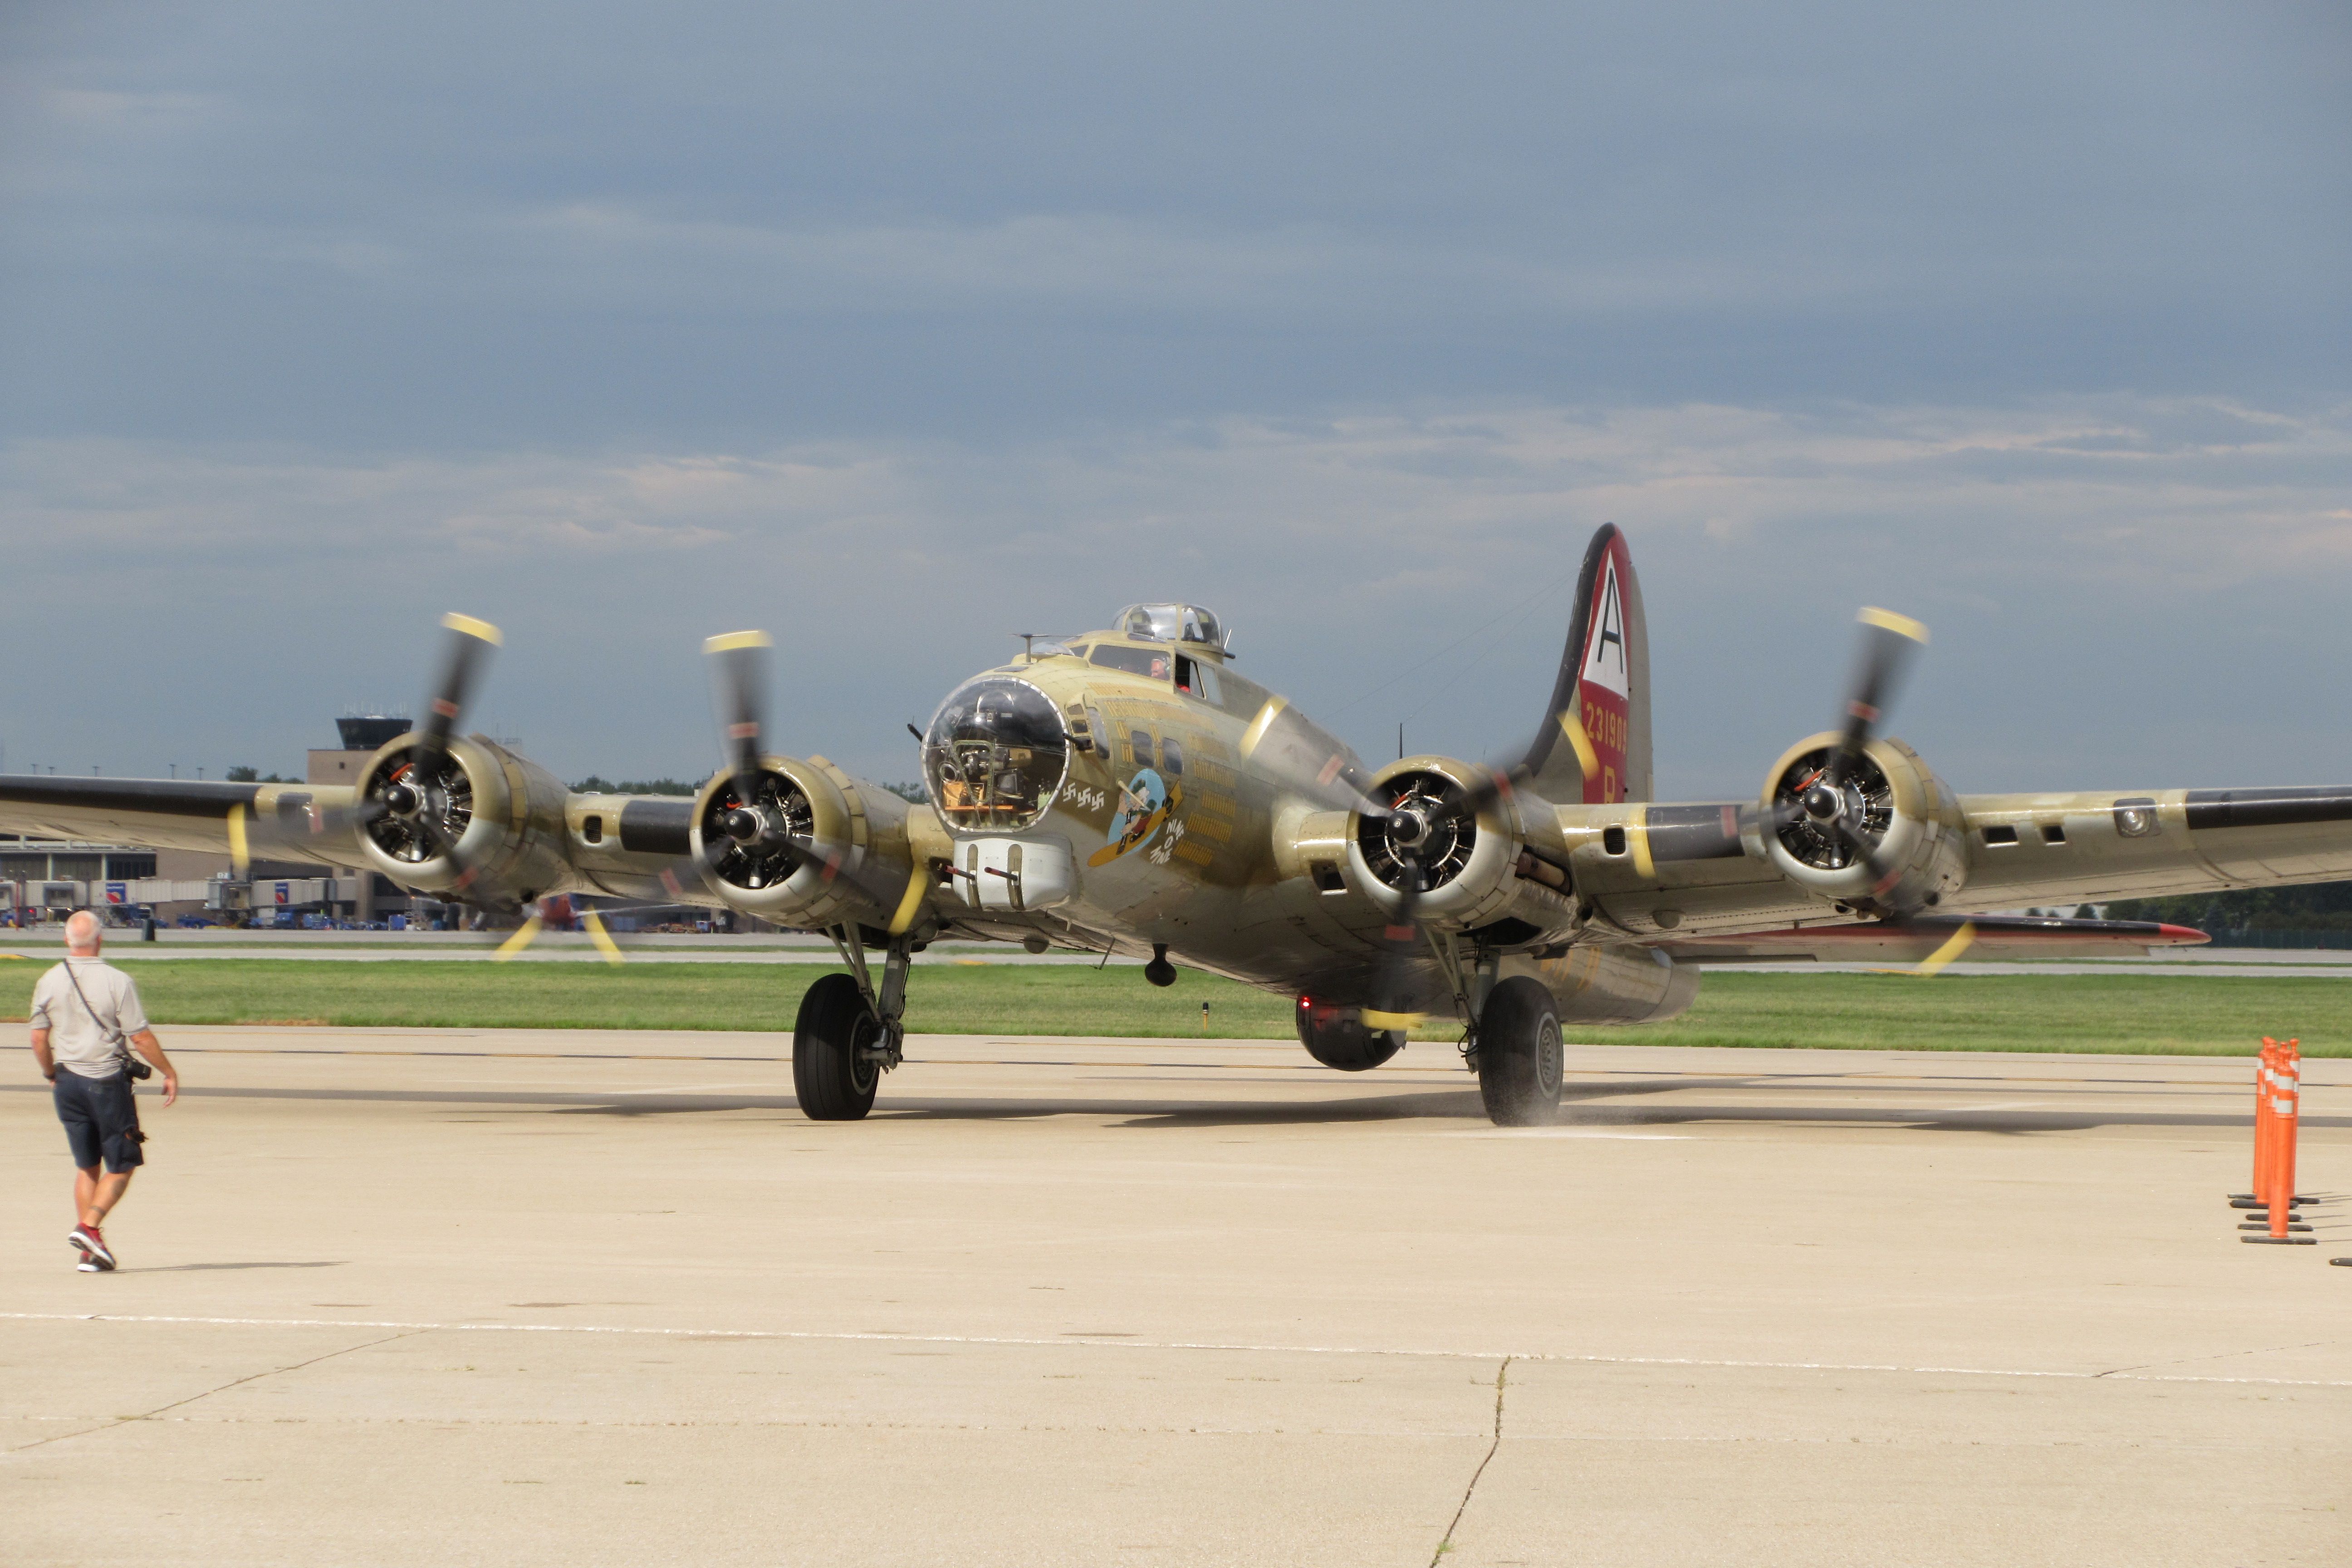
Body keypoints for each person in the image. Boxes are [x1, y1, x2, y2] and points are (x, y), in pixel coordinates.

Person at [28, 908, 177, 1272]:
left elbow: (37, 1036)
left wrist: (51, 1073)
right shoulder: (117, 981)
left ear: (66, 940)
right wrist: (168, 1072)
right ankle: (89, 1228)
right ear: (100, 940)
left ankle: (90, 1253)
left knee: (87, 1167)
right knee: (124, 1164)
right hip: (106, 1084)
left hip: (67, 1084)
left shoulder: (48, 980)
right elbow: (139, 1037)